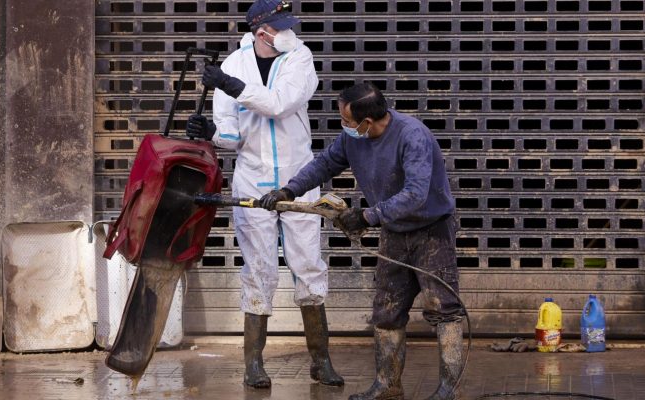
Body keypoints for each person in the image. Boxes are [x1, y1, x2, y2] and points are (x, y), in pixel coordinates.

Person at [261, 82, 465, 400]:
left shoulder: (413, 136)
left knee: (444, 310)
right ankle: (387, 386)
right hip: (394, 232)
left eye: (346, 120)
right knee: (386, 312)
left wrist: (368, 216)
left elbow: (415, 194)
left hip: (431, 232)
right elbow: (324, 164)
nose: (344, 126)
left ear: (366, 122)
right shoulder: (352, 138)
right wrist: (290, 189)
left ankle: (449, 389)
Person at [185, 0, 343, 389]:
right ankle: (253, 363)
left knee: (307, 264)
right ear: (262, 32)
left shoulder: (299, 58)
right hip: (252, 179)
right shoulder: (232, 66)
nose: (288, 31)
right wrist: (210, 134)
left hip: (298, 178)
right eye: (281, 25)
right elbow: (231, 136)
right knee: (258, 270)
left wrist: (231, 86)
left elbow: (280, 105)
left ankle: (320, 360)